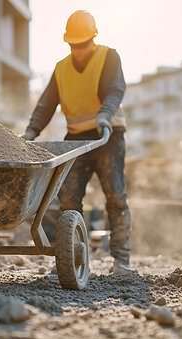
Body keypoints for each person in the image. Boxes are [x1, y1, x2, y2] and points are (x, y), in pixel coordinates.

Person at [21, 10, 134, 275]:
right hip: (76, 139)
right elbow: (46, 104)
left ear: (93, 39)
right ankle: (69, 255)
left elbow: (115, 89)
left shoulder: (108, 57)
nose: (79, 50)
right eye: (74, 45)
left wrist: (104, 115)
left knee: (115, 195)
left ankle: (121, 260)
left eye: (83, 45)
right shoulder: (61, 69)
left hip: (108, 135)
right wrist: (31, 132)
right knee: (68, 197)